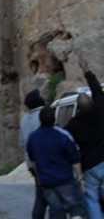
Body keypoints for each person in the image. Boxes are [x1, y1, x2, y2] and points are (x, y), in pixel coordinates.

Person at [27, 106, 87, 219]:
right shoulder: (63, 136)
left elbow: (33, 161)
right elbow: (75, 159)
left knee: (56, 210)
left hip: (47, 183)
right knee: (75, 209)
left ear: (40, 119)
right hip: (65, 181)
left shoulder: (33, 138)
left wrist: (38, 178)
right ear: (54, 119)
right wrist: (80, 178)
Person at [66, 59, 104, 219]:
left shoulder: (74, 124)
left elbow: (67, 142)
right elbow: (96, 89)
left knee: (92, 199)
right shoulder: (101, 111)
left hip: (90, 166)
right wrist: (87, 72)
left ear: (78, 108)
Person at [19, 89, 48, 219]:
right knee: (55, 198)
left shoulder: (24, 119)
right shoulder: (44, 114)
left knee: (40, 196)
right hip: (48, 161)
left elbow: (22, 142)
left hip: (32, 164)